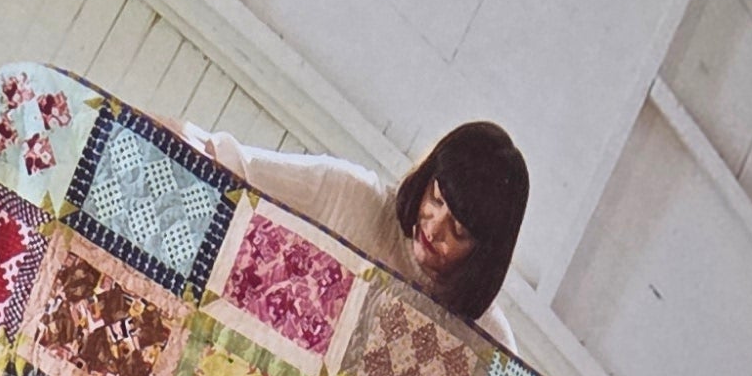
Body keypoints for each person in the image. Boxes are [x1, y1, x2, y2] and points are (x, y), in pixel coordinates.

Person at [175, 117, 530, 345]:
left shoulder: (487, 341)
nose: (434, 227)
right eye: (435, 199)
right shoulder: (349, 196)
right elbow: (230, 165)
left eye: (458, 231)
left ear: (484, 252)